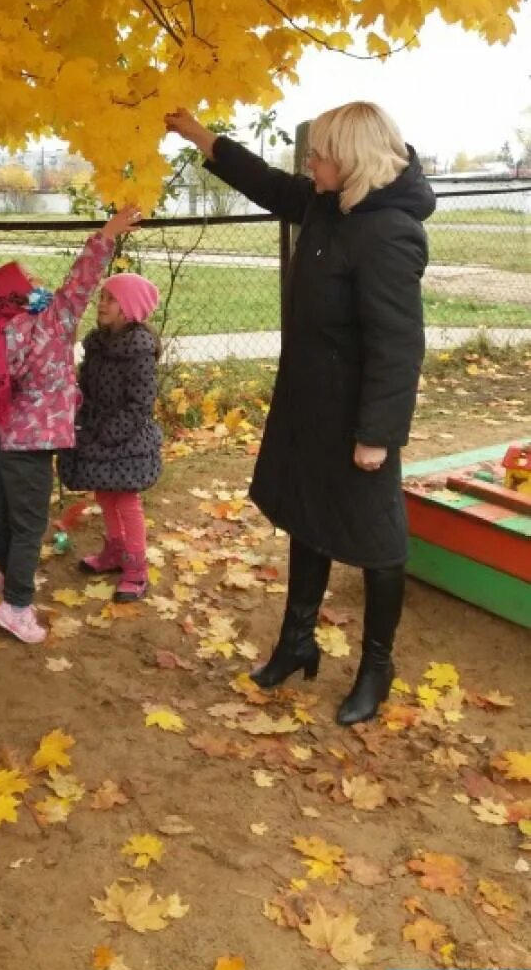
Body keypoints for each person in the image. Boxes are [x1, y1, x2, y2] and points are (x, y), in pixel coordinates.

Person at [164, 101, 434, 725]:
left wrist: (378, 435)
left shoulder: (388, 230)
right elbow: (265, 181)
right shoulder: (326, 201)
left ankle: (376, 665)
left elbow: (398, 343)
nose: (309, 163)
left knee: (377, 539)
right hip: (308, 401)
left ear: (352, 159)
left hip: (356, 416)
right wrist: (199, 135)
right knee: (308, 517)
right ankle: (296, 641)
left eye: (318, 154)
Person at [0, 205, 143, 644]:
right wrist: (106, 234)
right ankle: (17, 605)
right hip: (31, 444)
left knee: (9, 518)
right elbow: (81, 280)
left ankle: (5, 580)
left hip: (8, 440)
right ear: (19, 296)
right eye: (30, 281)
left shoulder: (3, 331)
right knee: (31, 525)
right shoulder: (51, 320)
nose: (39, 283)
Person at [59, 273, 162, 600]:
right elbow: (86, 387)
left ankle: (136, 567)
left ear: (128, 307)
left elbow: (140, 404)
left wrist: (109, 433)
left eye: (109, 299)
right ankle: (115, 550)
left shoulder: (139, 351)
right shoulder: (97, 343)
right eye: (101, 297)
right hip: (98, 430)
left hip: (126, 438)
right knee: (104, 494)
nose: (101, 304)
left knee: (126, 501)